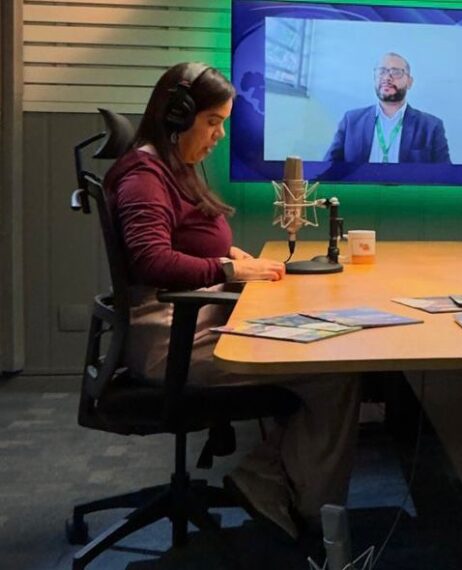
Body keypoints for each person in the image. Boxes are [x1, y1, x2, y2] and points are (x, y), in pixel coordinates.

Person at [103, 62, 361, 543]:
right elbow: (153, 261)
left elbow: (178, 245)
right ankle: (313, 522)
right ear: (178, 116)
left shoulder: (169, 169)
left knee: (316, 342)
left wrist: (223, 256)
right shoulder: (144, 175)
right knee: (335, 370)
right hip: (172, 344)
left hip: (194, 324)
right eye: (212, 121)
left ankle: (267, 478)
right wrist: (227, 270)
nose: (220, 134)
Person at [323, 52, 451, 163]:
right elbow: (327, 168)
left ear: (409, 82)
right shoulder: (351, 121)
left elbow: (445, 176)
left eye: (396, 72)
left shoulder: (431, 126)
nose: (386, 78)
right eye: (381, 72)